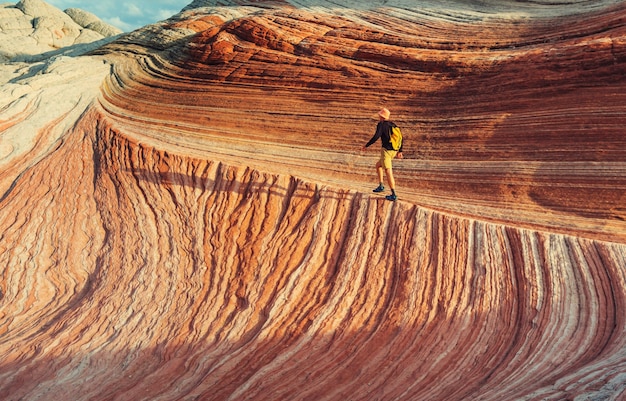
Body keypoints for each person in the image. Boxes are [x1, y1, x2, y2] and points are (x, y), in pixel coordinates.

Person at [361, 108, 404, 201]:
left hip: (386, 152)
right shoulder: (393, 125)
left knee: (388, 171)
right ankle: (381, 185)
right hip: (394, 151)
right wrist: (400, 151)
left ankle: (394, 194)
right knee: (378, 165)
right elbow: (401, 137)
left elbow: (376, 136)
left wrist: (366, 145)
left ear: (381, 116)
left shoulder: (381, 124)